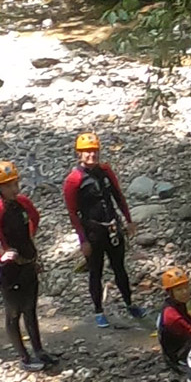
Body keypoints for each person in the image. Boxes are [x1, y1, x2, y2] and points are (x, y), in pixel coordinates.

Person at [0, 160, 55, 370]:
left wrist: (30, 240)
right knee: (13, 314)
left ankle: (39, 351)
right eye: (8, 186)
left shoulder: (24, 202)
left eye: (15, 183)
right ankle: (24, 358)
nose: (13, 189)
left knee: (30, 310)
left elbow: (35, 217)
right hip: (11, 271)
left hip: (29, 265)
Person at [63, 132, 142, 328]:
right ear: (79, 154)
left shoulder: (106, 171)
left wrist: (128, 220)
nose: (92, 155)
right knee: (95, 272)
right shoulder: (74, 180)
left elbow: (118, 196)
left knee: (120, 268)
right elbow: (73, 213)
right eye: (87, 152)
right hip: (93, 232)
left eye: (94, 151)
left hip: (113, 228)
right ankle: (99, 310)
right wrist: (83, 240)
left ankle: (130, 304)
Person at [156, 267, 191, 369]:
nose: (185, 292)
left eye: (186, 287)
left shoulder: (177, 303)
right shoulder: (171, 315)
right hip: (179, 355)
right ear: (170, 293)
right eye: (179, 290)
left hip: (185, 343)